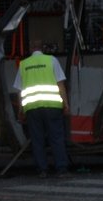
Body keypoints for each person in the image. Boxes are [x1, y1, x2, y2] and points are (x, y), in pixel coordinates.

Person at [13, 38, 70, 177]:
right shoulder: (51, 60)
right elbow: (60, 84)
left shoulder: (23, 64)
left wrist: (21, 110)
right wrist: (66, 104)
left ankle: (42, 170)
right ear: (42, 48)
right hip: (52, 106)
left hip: (32, 108)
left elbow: (20, 91)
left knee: (37, 139)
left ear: (31, 48)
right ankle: (61, 169)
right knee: (56, 137)